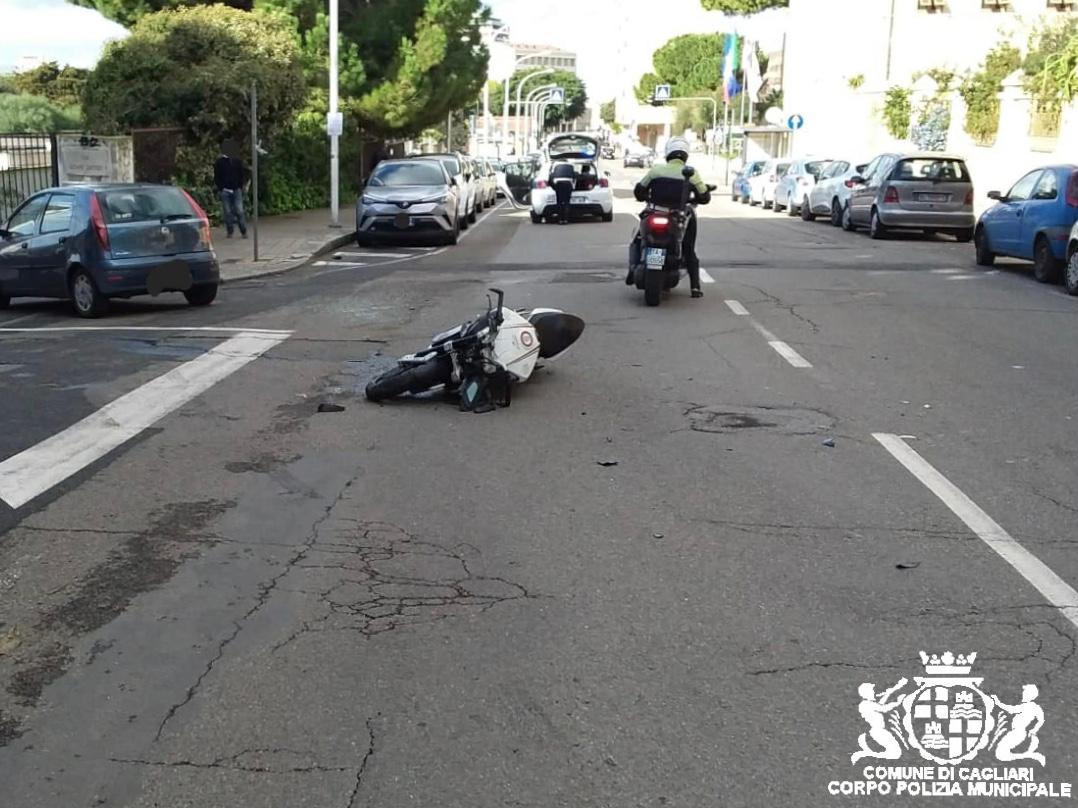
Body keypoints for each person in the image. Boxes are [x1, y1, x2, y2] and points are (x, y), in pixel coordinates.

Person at [629, 137, 711, 297]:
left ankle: (632, 271)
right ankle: (695, 287)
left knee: (638, 238)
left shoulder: (656, 170)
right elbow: (705, 197)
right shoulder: (691, 173)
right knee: (688, 248)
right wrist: (694, 198)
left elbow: (639, 191)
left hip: (654, 213)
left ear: (668, 153)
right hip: (677, 216)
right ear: (686, 155)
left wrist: (645, 196)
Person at [214, 142, 248, 239]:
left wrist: (240, 186)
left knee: (239, 210)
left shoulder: (237, 161)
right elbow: (217, 176)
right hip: (225, 190)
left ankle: (243, 231)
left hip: (236, 189)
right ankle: (230, 231)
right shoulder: (219, 162)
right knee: (227, 212)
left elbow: (241, 174)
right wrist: (221, 187)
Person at [549, 160, 576, 224]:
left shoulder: (555, 165)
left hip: (559, 184)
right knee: (567, 202)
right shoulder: (571, 165)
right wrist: (573, 187)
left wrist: (554, 187)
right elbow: (574, 177)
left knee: (559, 202)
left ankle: (560, 220)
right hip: (568, 183)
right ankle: (566, 219)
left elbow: (551, 177)